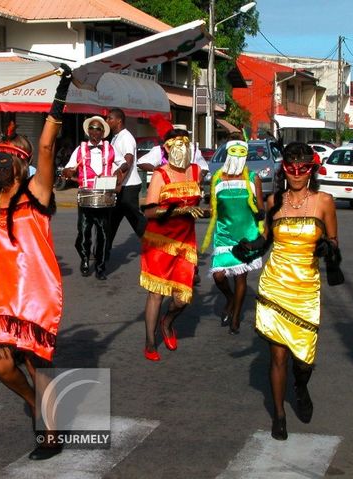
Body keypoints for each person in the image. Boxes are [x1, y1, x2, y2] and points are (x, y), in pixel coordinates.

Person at [0, 63, 72, 461]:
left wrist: (61, 93)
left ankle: (51, 432)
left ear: (19, 165)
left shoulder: (35, 192)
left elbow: (45, 148)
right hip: (2, 296)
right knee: (2, 366)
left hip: (37, 293)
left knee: (36, 363)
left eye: (5, 160)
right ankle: (34, 403)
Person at [232, 142, 339, 441]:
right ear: (283, 170)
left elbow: (334, 241)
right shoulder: (272, 201)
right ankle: (279, 415)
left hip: (305, 287)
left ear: (312, 170)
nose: (296, 174)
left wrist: (326, 249)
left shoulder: (324, 202)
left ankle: (300, 386)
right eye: (290, 168)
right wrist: (250, 246)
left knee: (304, 361)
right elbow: (265, 238)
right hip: (275, 283)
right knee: (277, 356)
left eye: (302, 168)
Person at [139, 122, 204, 361]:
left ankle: (167, 323)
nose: (182, 148)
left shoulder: (196, 171)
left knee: (182, 298)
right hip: (160, 242)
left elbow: (197, 204)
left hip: (186, 242)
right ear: (166, 149)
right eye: (177, 144)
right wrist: (178, 211)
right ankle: (150, 342)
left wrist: (203, 211)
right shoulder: (161, 173)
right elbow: (148, 211)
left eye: (186, 143)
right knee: (156, 294)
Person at [200, 140, 265, 335]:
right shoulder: (218, 178)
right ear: (228, 153)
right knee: (219, 275)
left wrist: (261, 217)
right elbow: (213, 208)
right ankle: (229, 298)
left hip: (246, 234)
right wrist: (199, 210)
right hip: (224, 234)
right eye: (234, 151)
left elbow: (260, 206)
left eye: (241, 152)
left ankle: (235, 316)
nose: (237, 156)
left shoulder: (253, 178)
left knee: (240, 276)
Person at [63, 115, 127, 280]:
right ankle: (84, 259)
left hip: (104, 195)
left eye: (98, 129)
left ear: (102, 132)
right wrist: (68, 171)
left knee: (103, 234)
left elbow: (123, 163)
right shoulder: (80, 149)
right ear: (88, 131)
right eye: (91, 128)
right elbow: (68, 169)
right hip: (86, 195)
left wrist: (118, 172)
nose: (94, 131)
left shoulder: (110, 148)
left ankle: (100, 267)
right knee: (83, 233)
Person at [106, 108, 147, 252]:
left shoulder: (126, 137)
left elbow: (128, 162)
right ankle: (103, 250)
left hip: (128, 186)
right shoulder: (116, 137)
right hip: (121, 186)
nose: (107, 121)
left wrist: (119, 183)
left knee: (136, 220)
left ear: (119, 120)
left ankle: (154, 242)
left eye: (110, 118)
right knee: (112, 219)